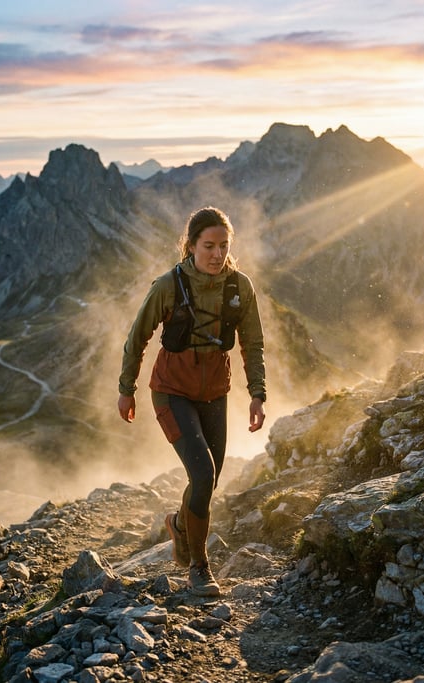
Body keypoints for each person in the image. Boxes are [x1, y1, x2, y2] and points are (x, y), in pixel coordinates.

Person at [118, 206, 266, 596]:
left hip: (215, 393)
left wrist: (257, 394)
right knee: (202, 474)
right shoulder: (169, 285)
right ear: (191, 245)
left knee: (209, 478)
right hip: (171, 391)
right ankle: (200, 568)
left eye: (223, 246)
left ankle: (181, 526)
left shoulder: (239, 287)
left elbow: (252, 343)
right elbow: (138, 337)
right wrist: (126, 388)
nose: (217, 254)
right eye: (208, 246)